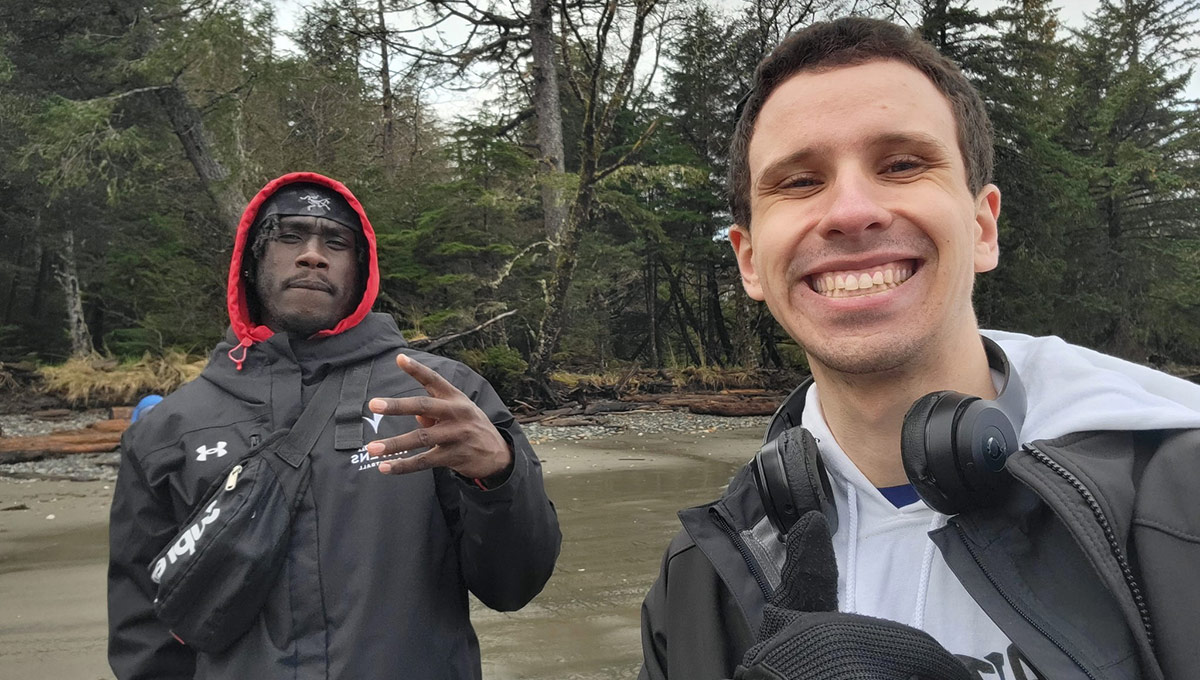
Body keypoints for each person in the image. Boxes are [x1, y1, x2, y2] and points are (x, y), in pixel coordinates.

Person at [639, 17, 1200, 680]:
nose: (850, 210)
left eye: (902, 164)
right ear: (751, 262)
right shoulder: (699, 577)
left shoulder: (1179, 500)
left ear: (983, 226)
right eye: (798, 181)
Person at [108, 172, 561, 679]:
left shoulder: (440, 395)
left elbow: (514, 585)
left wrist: (498, 474)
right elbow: (145, 633)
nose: (312, 255)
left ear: (360, 268)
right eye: (290, 236)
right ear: (253, 259)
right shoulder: (169, 428)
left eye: (335, 241)